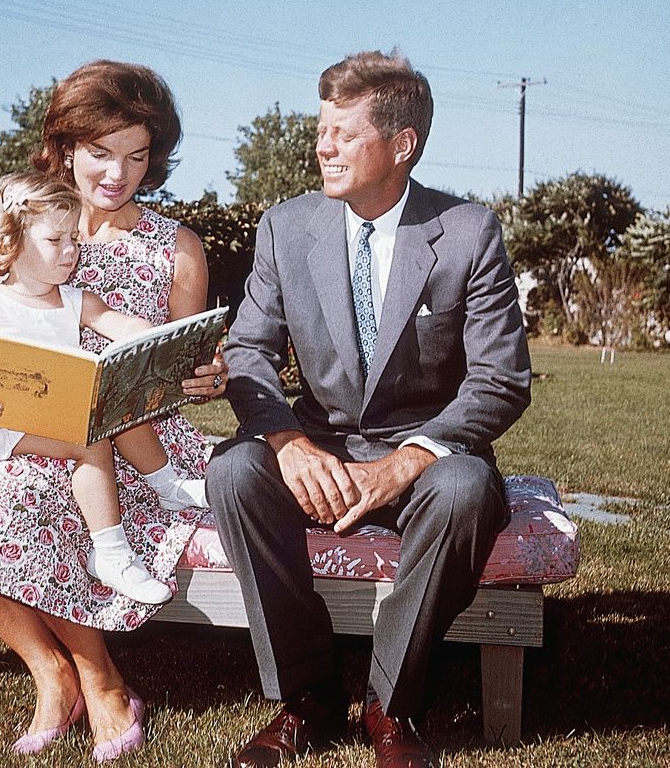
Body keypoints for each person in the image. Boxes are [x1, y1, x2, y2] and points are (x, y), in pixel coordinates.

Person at [0, 60, 226, 761]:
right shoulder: (22, 227)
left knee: (20, 490)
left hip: (136, 443)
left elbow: (184, 358)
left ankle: (99, 678)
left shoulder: (177, 249)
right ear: (65, 147)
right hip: (26, 428)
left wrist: (205, 375)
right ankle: (52, 669)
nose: (117, 174)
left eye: (137, 156)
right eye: (100, 153)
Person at [207, 50, 531, 768]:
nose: (322, 147)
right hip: (320, 446)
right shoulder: (285, 228)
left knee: (466, 488)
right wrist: (288, 441)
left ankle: (391, 707)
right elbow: (250, 353)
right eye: (321, 129)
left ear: (401, 144)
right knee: (233, 472)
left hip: (426, 456)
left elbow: (502, 380)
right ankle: (306, 698)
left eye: (342, 134)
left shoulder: (468, 232)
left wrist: (411, 458)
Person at [0, 170, 209, 605]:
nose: (70, 252)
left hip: (47, 416)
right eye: (55, 241)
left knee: (113, 410)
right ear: (12, 242)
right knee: (91, 441)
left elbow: (124, 326)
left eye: (73, 240)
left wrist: (172, 342)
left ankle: (168, 485)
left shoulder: (75, 299)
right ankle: (112, 554)